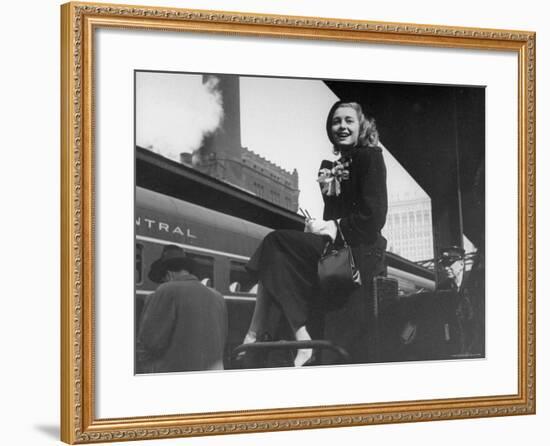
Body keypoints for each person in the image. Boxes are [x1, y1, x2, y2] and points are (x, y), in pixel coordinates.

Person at [240, 100, 388, 367]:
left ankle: (258, 333)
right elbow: (333, 216)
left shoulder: (370, 156)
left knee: (275, 242)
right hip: (339, 251)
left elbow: (374, 217)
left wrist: (332, 226)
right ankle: (292, 336)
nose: (341, 126)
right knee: (276, 253)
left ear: (361, 125)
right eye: (335, 121)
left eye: (348, 120)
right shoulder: (334, 167)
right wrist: (317, 226)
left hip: (360, 252)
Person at [136, 245, 228, 373]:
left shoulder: (165, 290)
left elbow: (149, 343)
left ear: (168, 275)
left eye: (161, 280)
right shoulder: (218, 296)